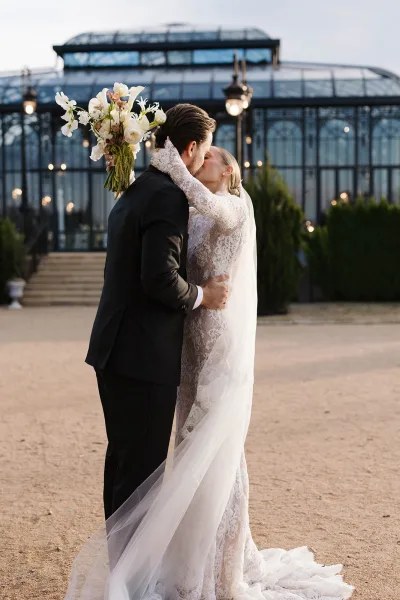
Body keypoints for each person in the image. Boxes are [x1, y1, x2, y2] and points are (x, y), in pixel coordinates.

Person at [65, 140, 354, 600]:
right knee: (186, 448)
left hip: (218, 342)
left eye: (211, 155)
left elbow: (200, 199)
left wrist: (170, 163)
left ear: (229, 170)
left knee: (216, 445)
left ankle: (223, 565)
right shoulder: (191, 210)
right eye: (201, 152)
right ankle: (181, 557)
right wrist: (136, 170)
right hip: (185, 341)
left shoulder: (234, 205)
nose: (203, 160)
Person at [85, 104, 229, 520]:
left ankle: (122, 573)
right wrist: (204, 295)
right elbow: (160, 278)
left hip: (114, 350)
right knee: (143, 474)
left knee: (123, 463)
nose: (204, 161)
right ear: (188, 150)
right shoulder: (168, 197)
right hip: (142, 358)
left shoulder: (135, 189)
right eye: (204, 152)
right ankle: (132, 580)